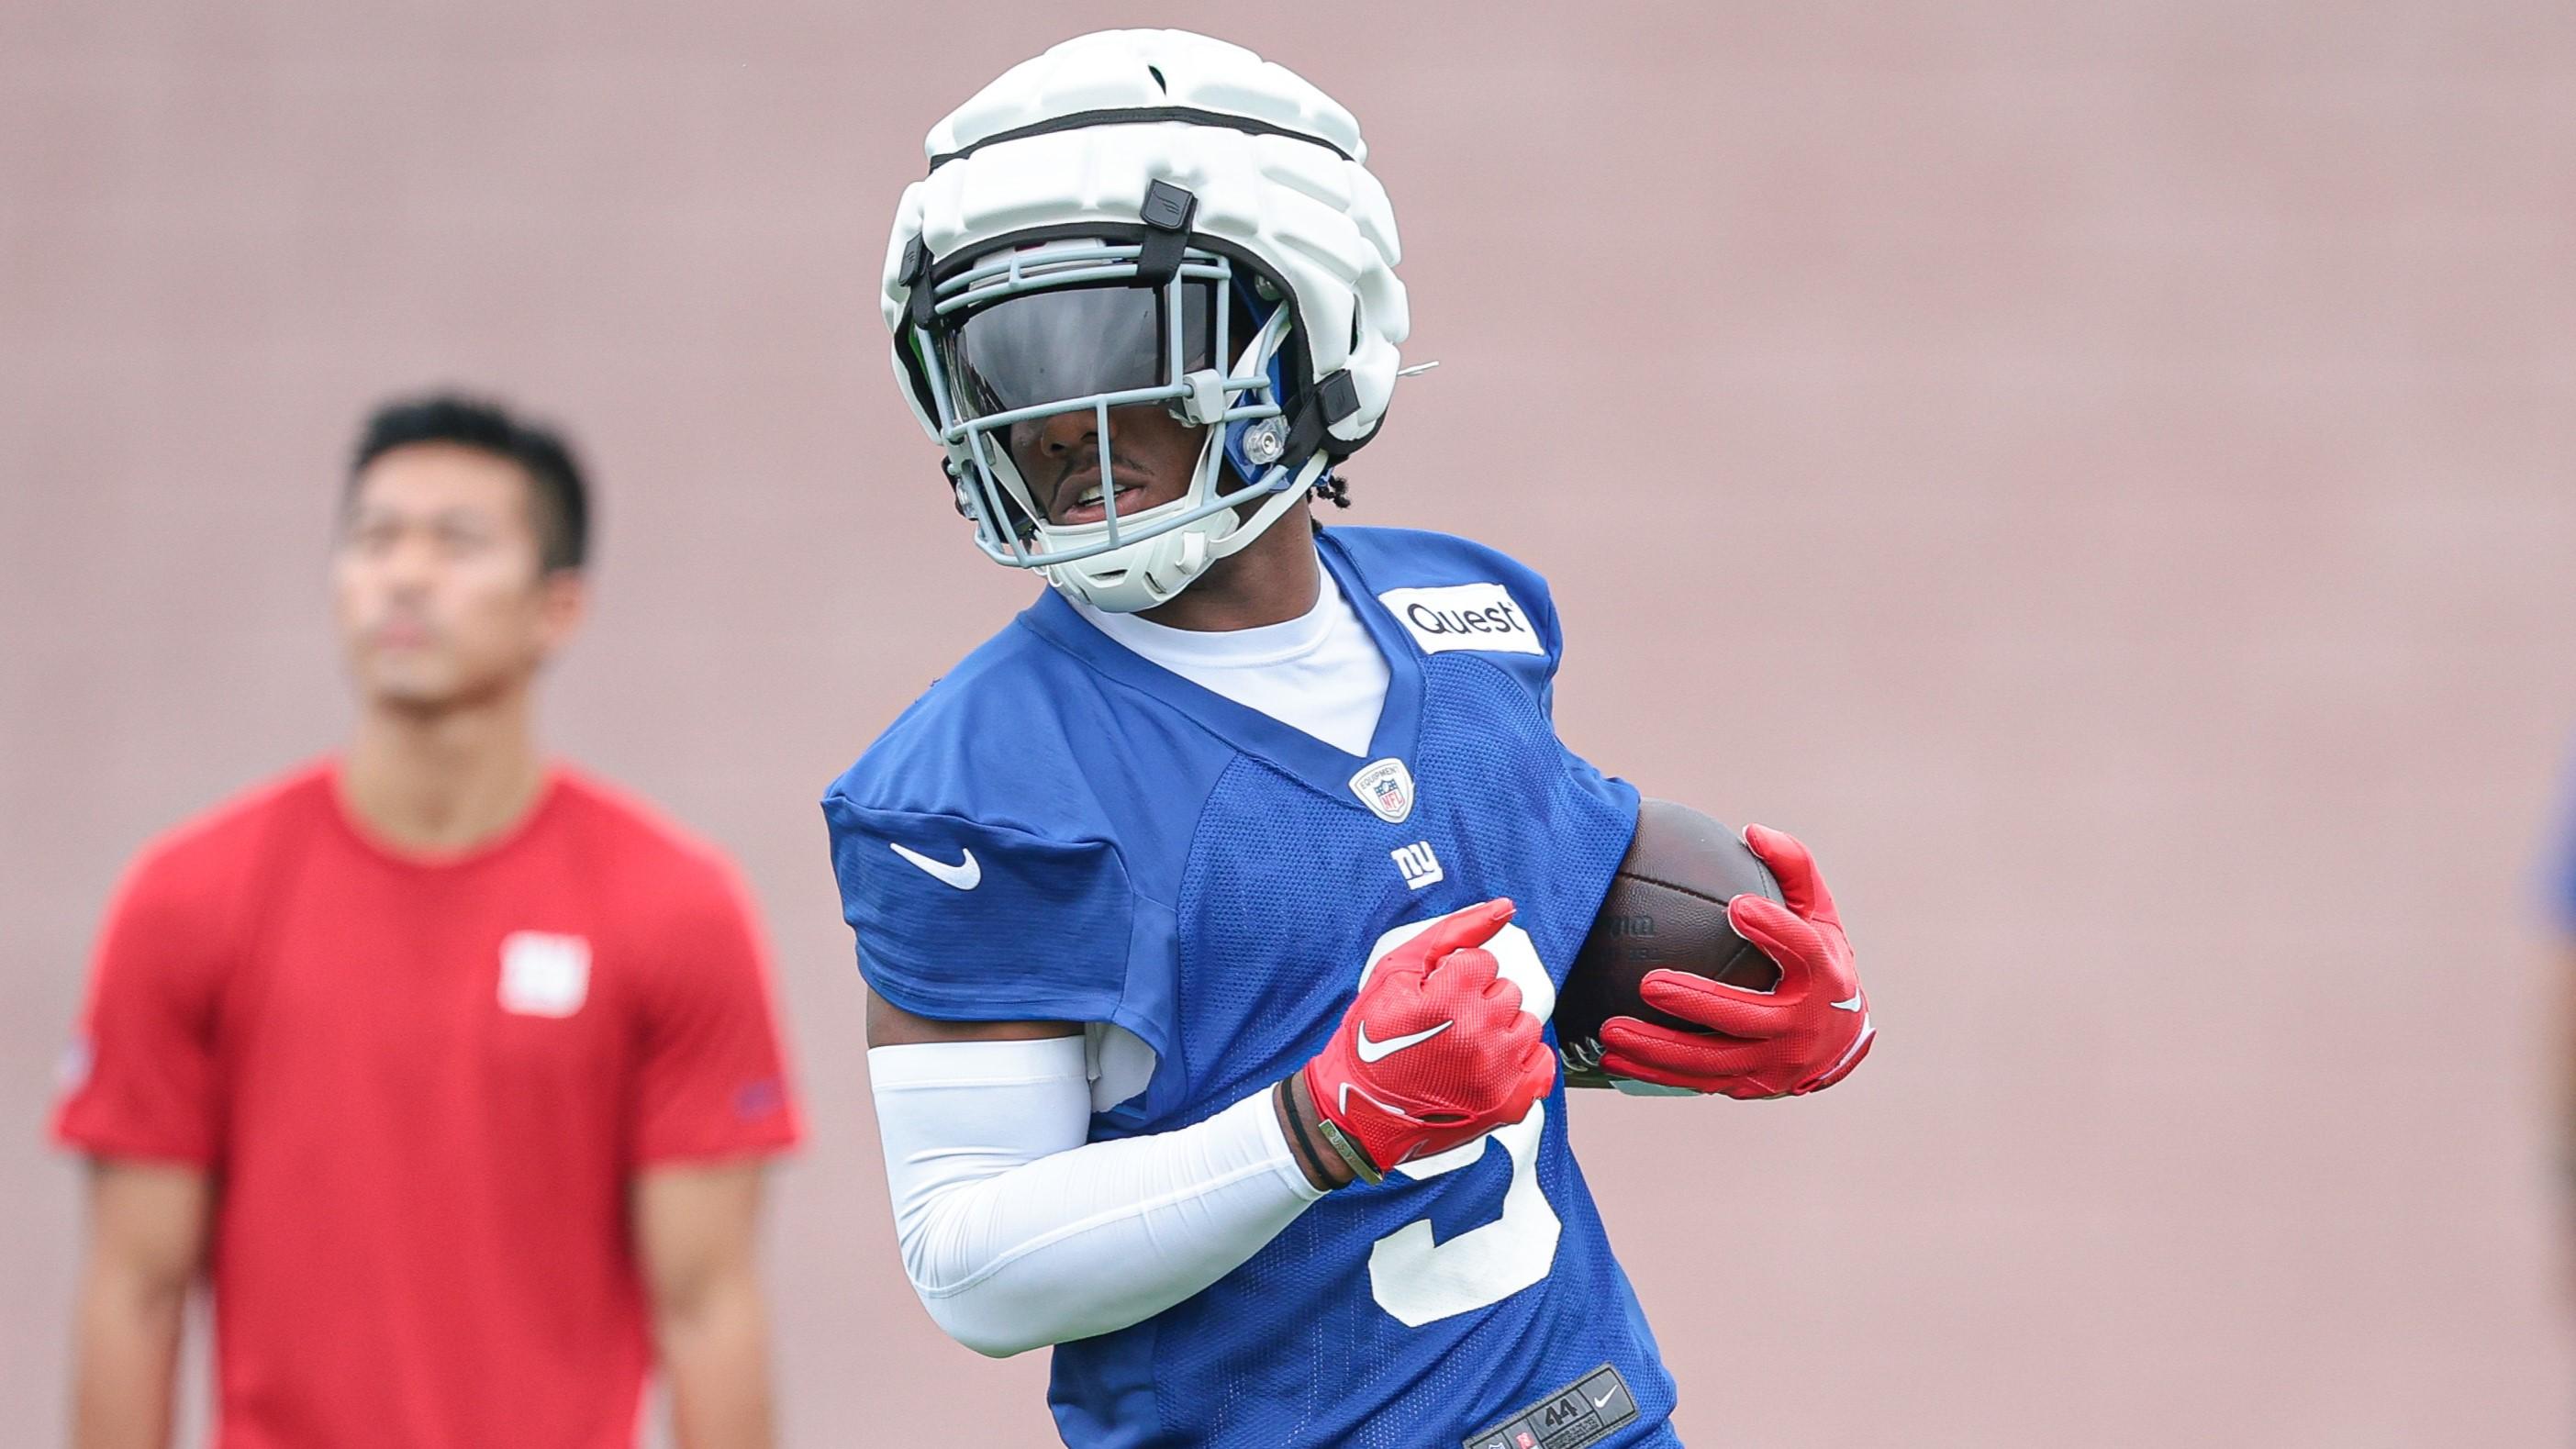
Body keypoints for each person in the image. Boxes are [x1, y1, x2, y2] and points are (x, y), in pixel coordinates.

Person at [824, 29, 1875, 1449]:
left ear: (1311, 325)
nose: (1049, 418)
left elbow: (1467, 984)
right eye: (998, 357)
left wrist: (1745, 1008)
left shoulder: (1469, 613)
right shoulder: (973, 781)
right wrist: (1313, 1126)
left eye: (1118, 341)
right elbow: (972, 1261)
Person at [55, 394, 802, 1449]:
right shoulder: (187, 899)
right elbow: (134, 1290)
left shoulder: (674, 908)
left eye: (456, 543)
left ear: (558, 608)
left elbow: (709, 1305)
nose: (402, 575)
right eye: (373, 539)